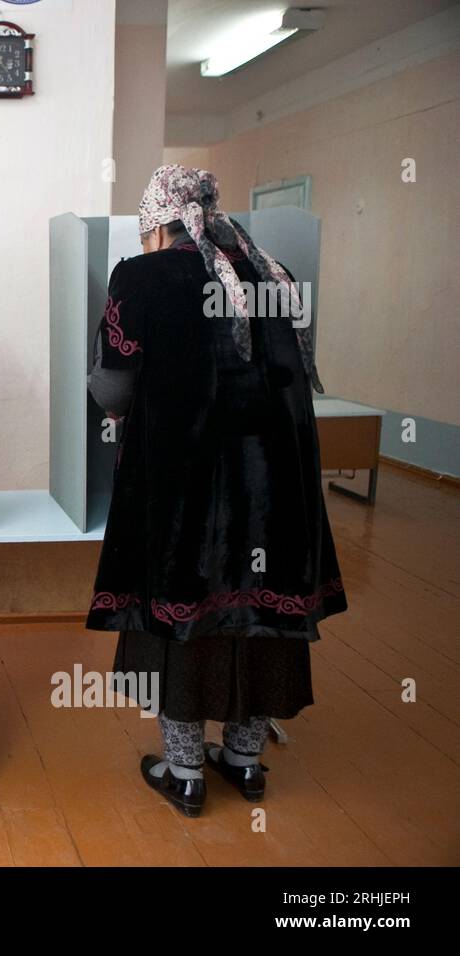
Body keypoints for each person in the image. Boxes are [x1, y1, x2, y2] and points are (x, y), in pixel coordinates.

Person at [86, 165, 346, 817]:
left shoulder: (141, 276)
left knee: (183, 606)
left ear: (158, 225)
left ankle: (185, 772)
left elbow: (113, 387)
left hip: (183, 485)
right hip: (273, 483)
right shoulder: (271, 271)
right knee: (259, 609)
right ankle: (245, 762)